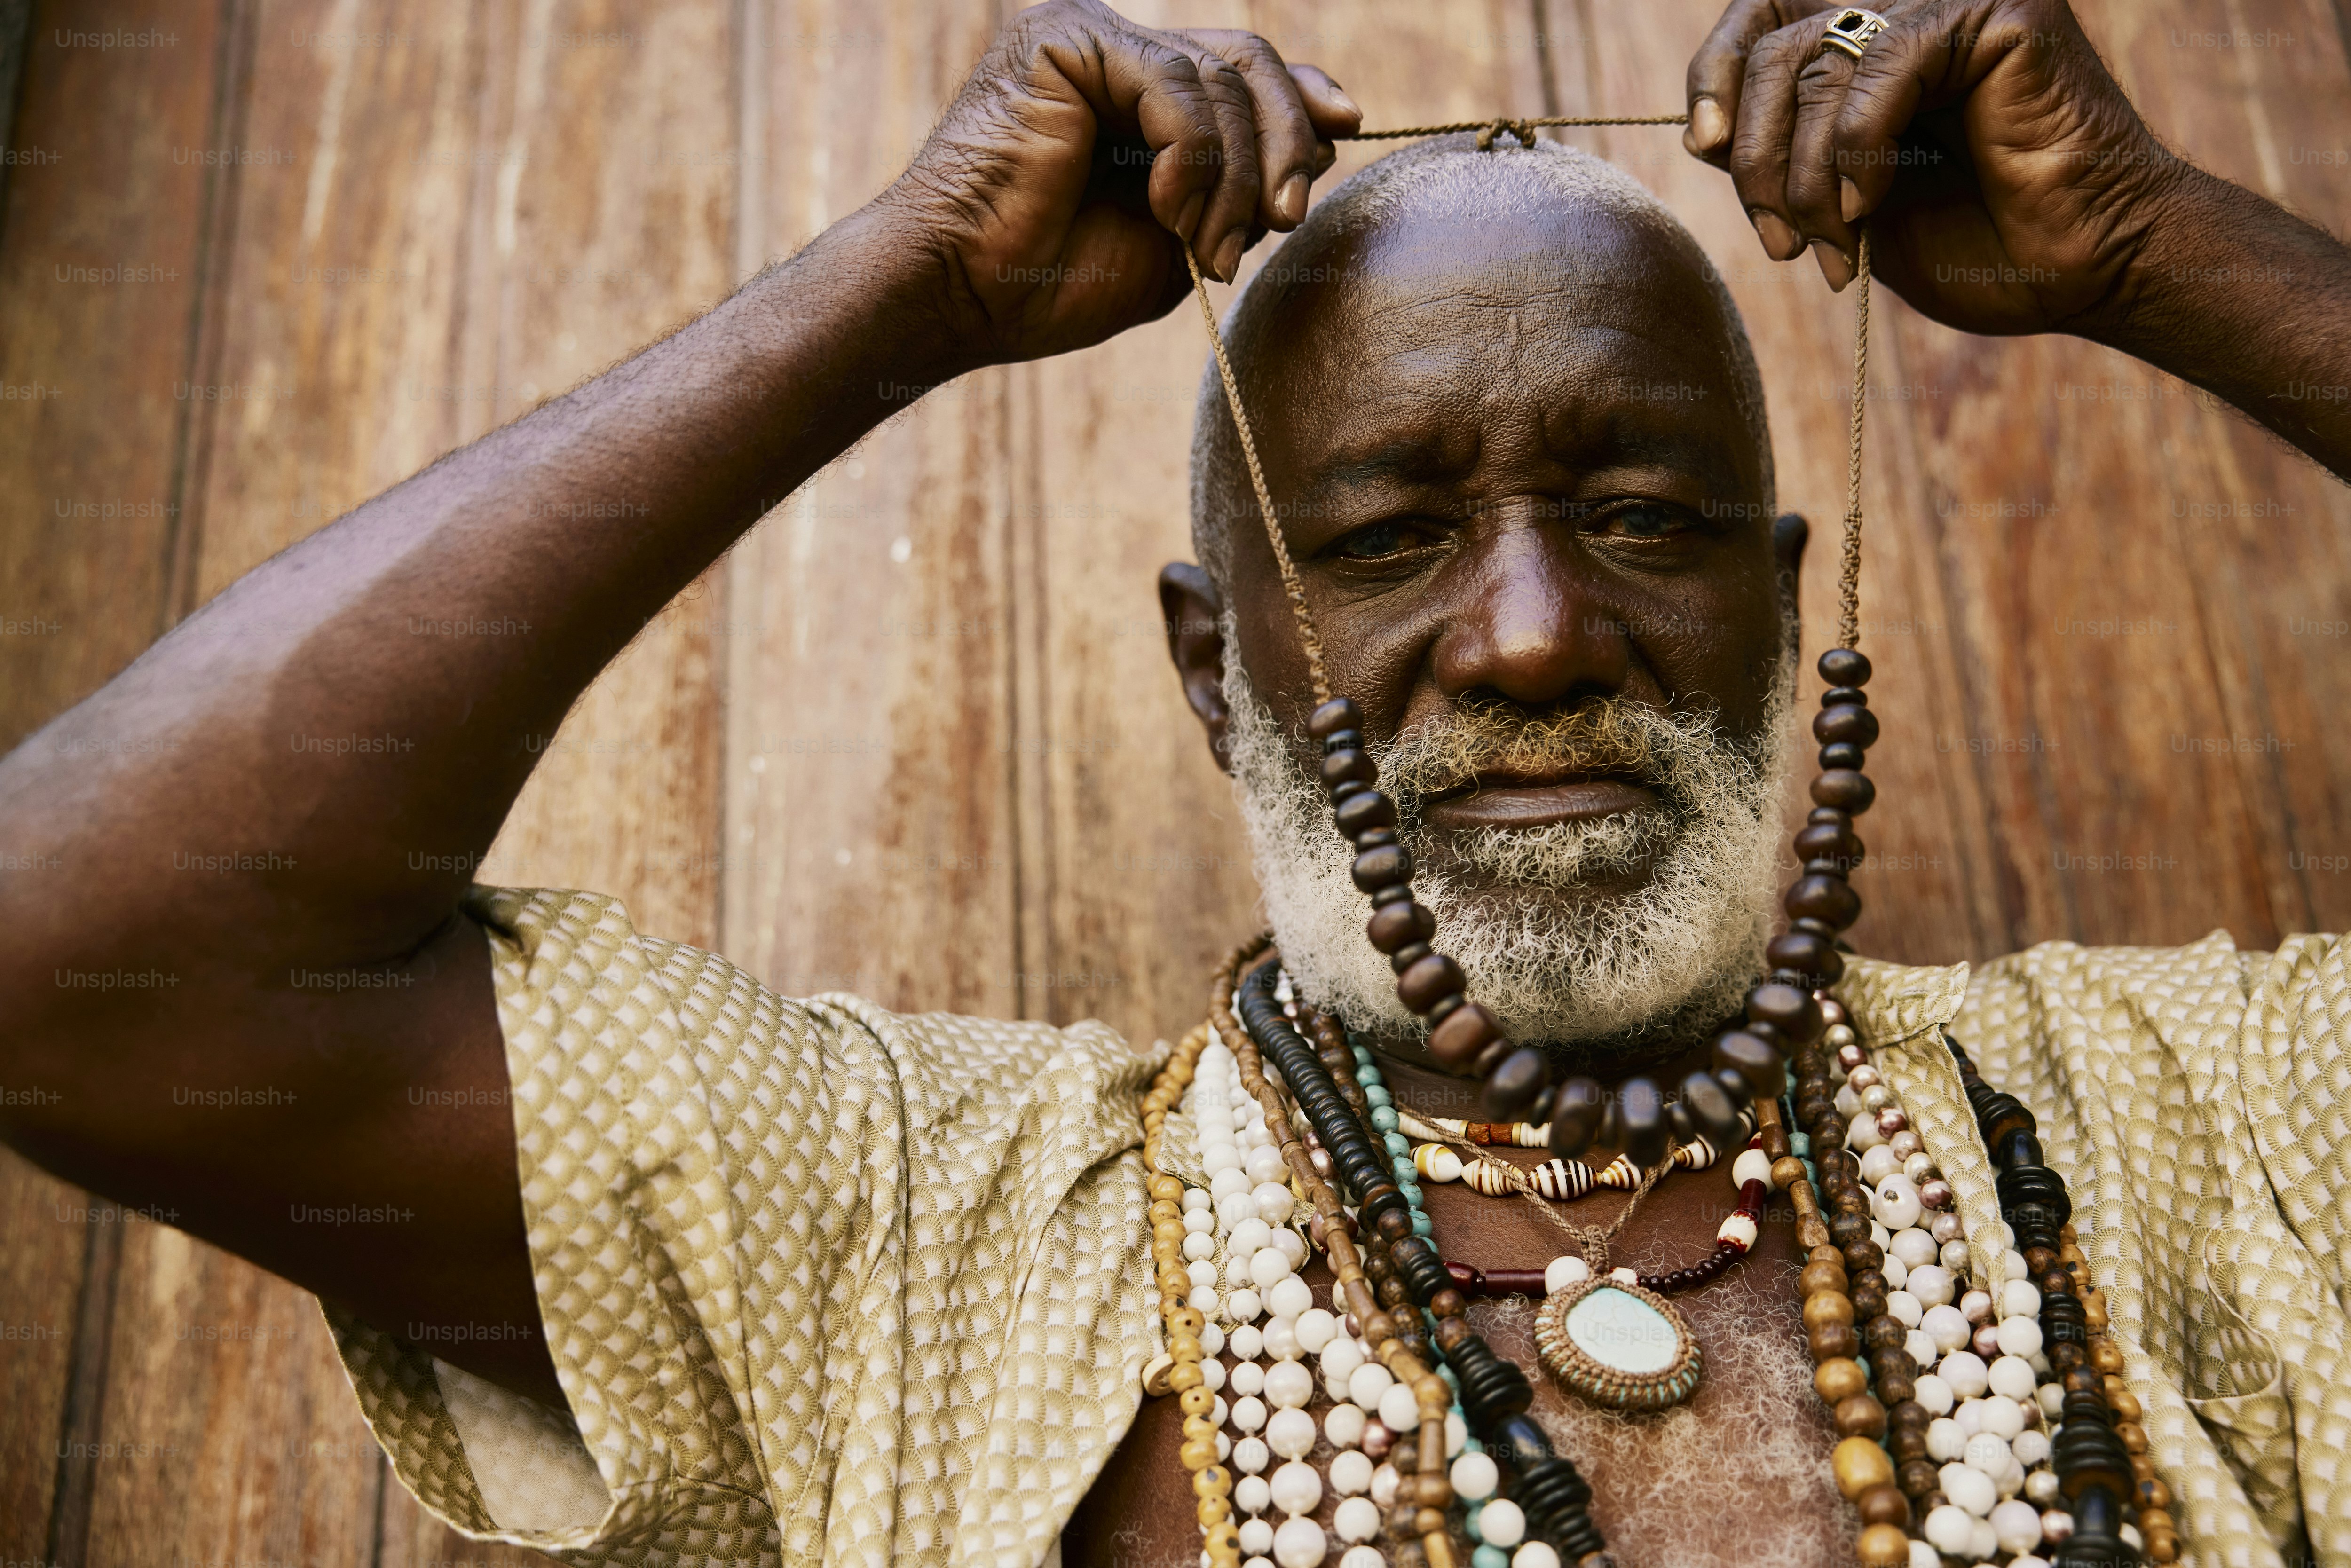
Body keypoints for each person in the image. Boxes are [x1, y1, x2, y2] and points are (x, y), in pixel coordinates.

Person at [1, 0, 2345, 1564]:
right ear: (1213, 673)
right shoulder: (911, 1238)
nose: (1530, 638)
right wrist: (906, 282)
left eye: (1637, 521)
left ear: (1781, 594)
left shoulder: (2185, 1131)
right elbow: (82, 959)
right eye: (1387, 544)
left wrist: (2162, 251)